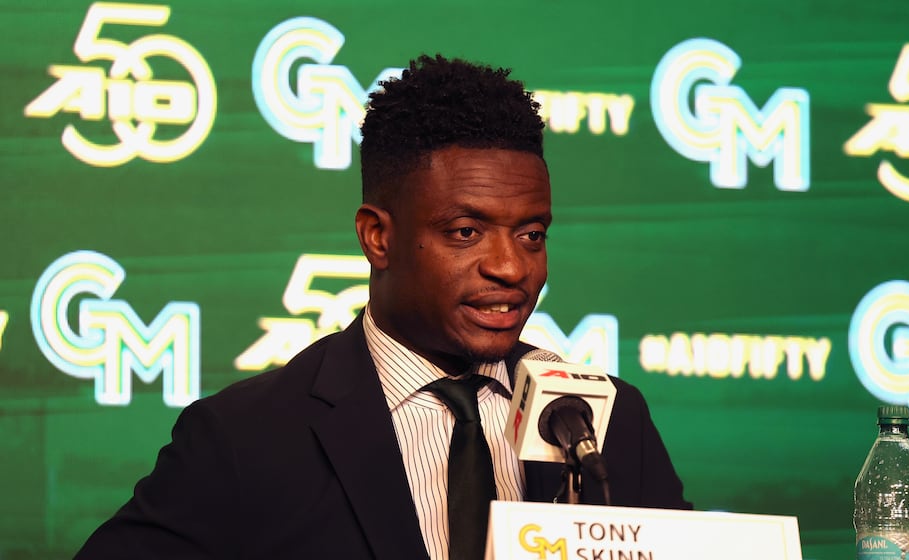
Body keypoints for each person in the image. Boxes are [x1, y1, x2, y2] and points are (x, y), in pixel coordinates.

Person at [74, 54, 691, 560]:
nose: (512, 267)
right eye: (466, 232)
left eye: (532, 234)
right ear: (378, 237)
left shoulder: (608, 422)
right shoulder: (243, 437)